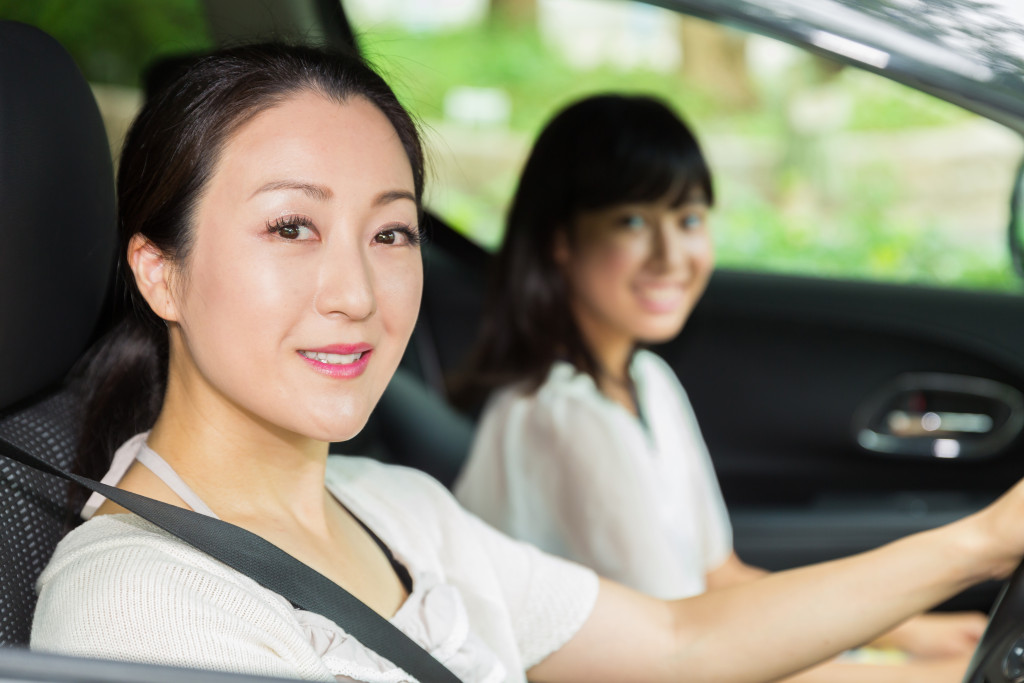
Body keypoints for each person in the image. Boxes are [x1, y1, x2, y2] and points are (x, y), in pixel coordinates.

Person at [27, 43, 1024, 683]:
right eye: (291, 226)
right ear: (159, 272)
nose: (357, 293)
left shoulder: (394, 506)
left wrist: (982, 540)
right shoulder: (142, 606)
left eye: (391, 233)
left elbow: (684, 642)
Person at [452, 94, 986, 681]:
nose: (670, 256)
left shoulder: (647, 380)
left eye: (689, 220)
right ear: (561, 240)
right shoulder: (559, 416)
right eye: (632, 221)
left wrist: (914, 632)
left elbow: (722, 579)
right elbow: (689, 650)